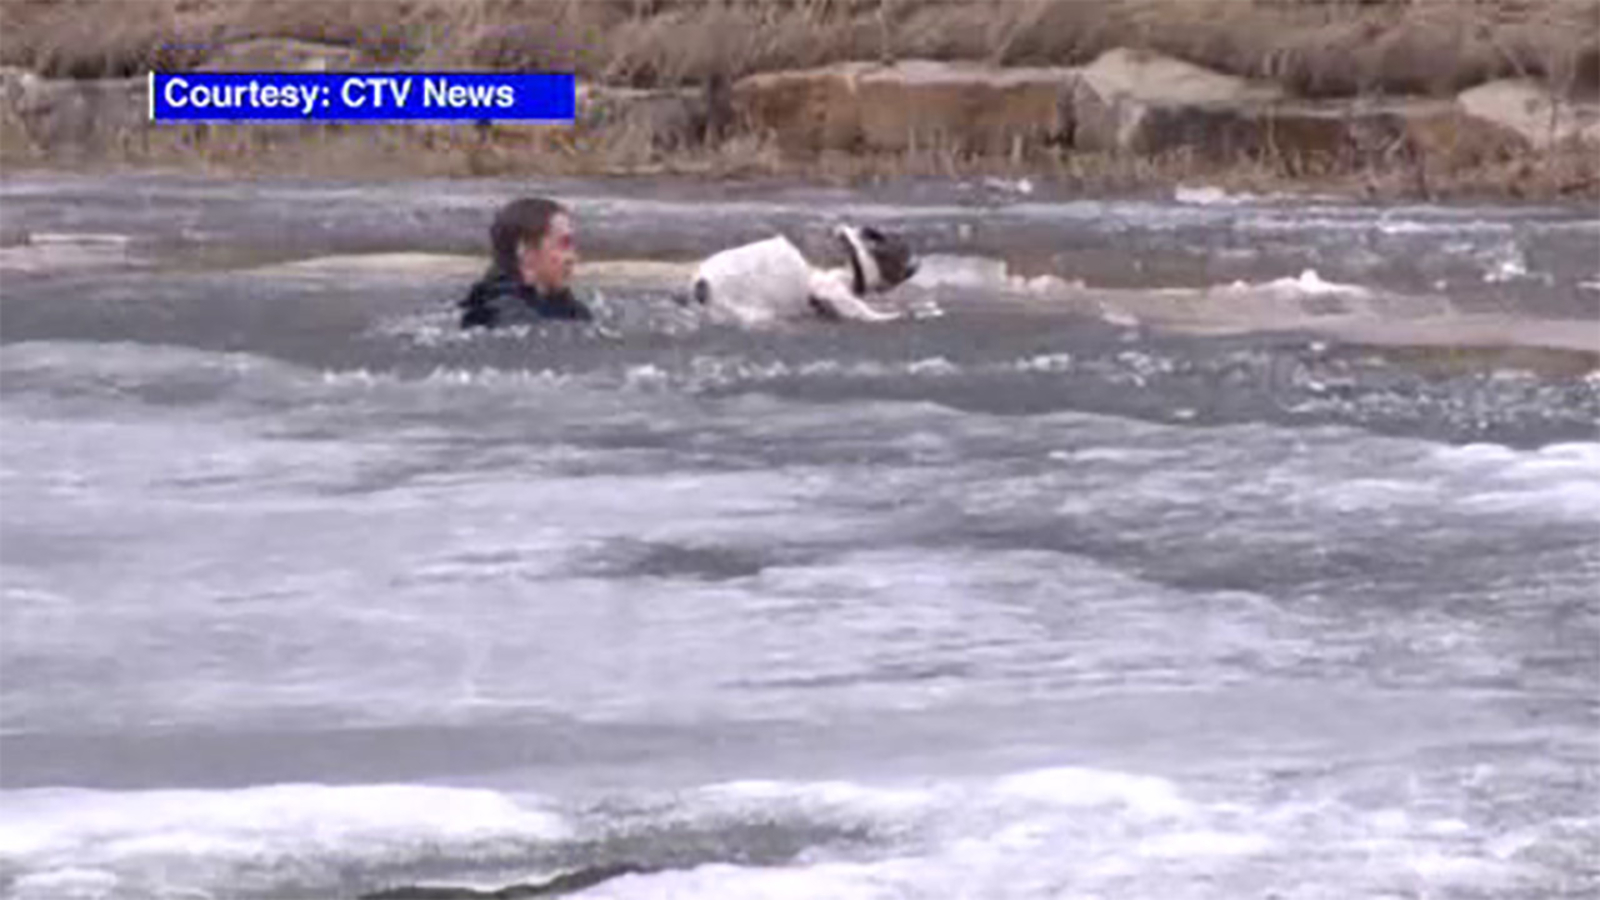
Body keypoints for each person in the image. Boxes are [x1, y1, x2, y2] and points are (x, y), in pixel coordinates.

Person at [459, 196, 592, 329]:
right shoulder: (499, 317)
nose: (573, 258)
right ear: (526, 254)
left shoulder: (572, 310)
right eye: (564, 244)